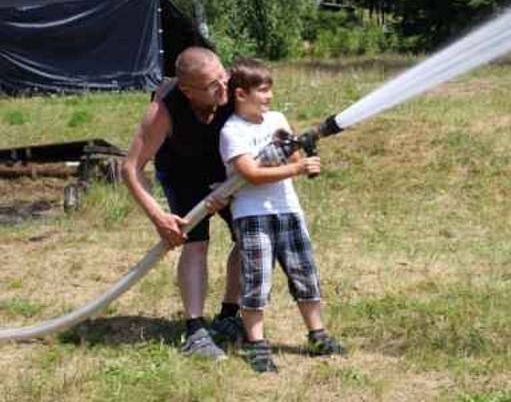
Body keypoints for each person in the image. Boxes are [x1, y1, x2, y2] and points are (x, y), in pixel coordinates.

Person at [219, 57, 345, 373]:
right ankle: (257, 344)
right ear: (240, 94)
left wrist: (302, 152)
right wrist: (296, 168)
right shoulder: (232, 131)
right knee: (257, 281)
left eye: (270, 90)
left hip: (288, 210)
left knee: (305, 274)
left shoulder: (277, 118)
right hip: (252, 215)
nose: (269, 97)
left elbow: (295, 154)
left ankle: (318, 335)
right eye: (262, 91)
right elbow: (249, 174)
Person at [122, 46, 243, 360]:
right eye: (211, 86)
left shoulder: (235, 87)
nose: (223, 87)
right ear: (188, 91)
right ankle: (195, 331)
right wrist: (158, 217)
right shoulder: (164, 110)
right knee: (195, 243)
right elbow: (131, 167)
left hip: (227, 170)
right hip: (182, 171)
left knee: (250, 238)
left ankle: (229, 317)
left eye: (223, 76)